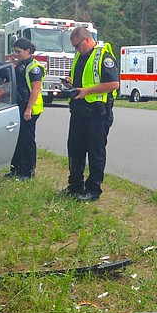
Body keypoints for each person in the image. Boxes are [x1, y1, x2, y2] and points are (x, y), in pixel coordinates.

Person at [60, 26, 119, 202]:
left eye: (77, 46)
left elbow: (114, 84)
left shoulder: (104, 57)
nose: (76, 50)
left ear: (86, 39)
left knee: (95, 152)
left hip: (97, 113)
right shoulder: (80, 55)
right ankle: (75, 186)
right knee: (75, 149)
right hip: (78, 110)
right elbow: (81, 78)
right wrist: (70, 83)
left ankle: (93, 190)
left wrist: (88, 91)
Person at [8, 38, 44, 179]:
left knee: (27, 140)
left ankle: (28, 172)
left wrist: (28, 109)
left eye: (19, 51)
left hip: (30, 108)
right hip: (20, 105)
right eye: (15, 51)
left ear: (28, 51)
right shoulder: (21, 64)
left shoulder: (34, 67)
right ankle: (15, 169)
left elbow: (35, 89)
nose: (16, 54)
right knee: (18, 139)